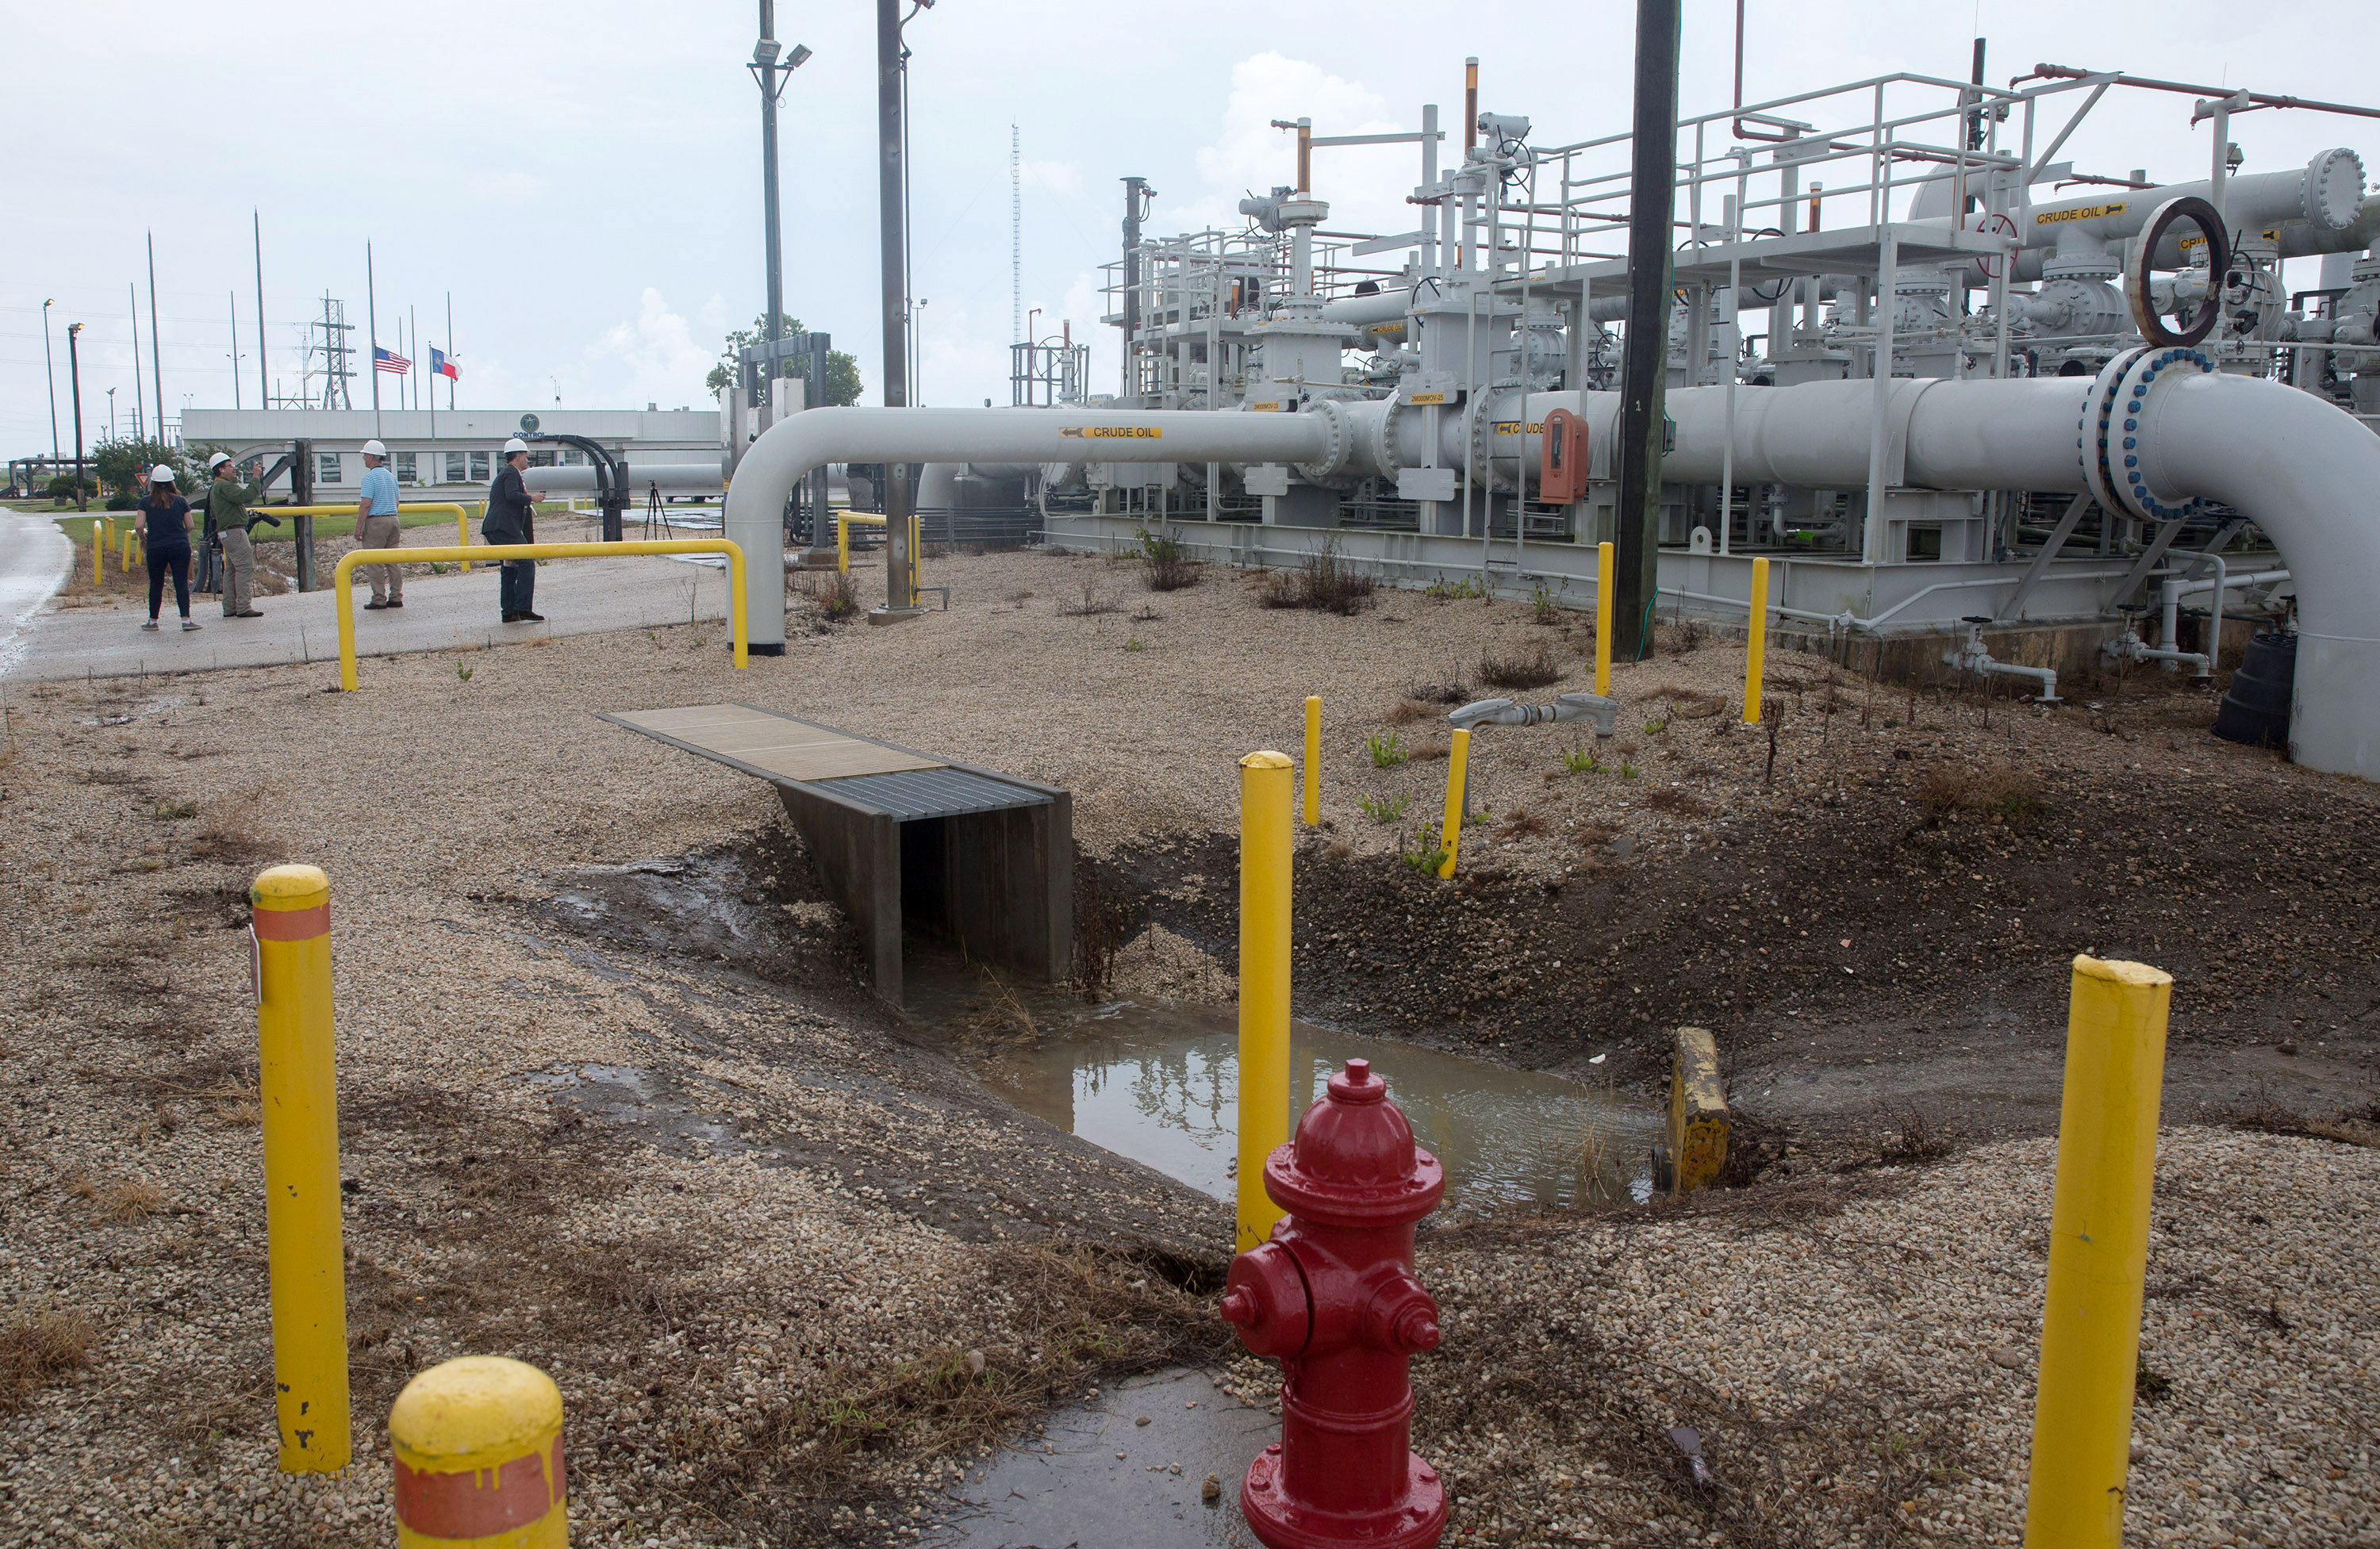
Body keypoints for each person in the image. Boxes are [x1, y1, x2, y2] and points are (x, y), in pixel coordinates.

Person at [202, 451, 278, 619]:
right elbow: (247, 496)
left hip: (226, 533)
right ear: (221, 470)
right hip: (234, 533)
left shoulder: (218, 487)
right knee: (244, 567)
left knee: (231, 570)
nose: (234, 469)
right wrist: (256, 477)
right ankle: (244, 606)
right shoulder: (224, 486)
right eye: (230, 466)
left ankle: (229, 607)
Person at [483, 436, 543, 623]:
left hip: (498, 528)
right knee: (526, 563)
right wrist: (531, 498)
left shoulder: (508, 473)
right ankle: (523, 608)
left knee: (510, 567)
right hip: (505, 529)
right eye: (525, 456)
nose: (527, 460)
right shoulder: (511, 473)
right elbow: (511, 495)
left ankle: (509, 612)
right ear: (517, 457)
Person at [136, 465, 199, 633]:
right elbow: (190, 525)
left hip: (155, 546)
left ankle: (152, 620)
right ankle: (186, 620)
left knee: (156, 583)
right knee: (181, 582)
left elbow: (139, 525)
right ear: (171, 482)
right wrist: (180, 534)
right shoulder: (180, 501)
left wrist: (144, 538)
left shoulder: (145, 502)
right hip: (179, 546)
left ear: (153, 483)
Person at [355, 439, 405, 610]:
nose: (363, 459)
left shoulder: (369, 478)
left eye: (365, 455)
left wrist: (359, 528)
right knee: (393, 560)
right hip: (393, 520)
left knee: (374, 561)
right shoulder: (391, 477)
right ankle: (396, 596)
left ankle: (378, 598)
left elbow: (365, 504)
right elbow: (397, 502)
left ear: (371, 456)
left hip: (376, 522)